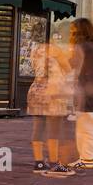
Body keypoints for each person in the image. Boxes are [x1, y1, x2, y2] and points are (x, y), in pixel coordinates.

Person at [26, 38, 73, 176]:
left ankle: (39, 163)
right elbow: (68, 69)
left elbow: (36, 69)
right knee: (54, 130)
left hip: (35, 91)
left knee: (38, 128)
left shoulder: (36, 51)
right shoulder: (56, 51)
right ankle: (54, 164)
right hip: (52, 93)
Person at [68, 18, 93, 169]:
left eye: (73, 30)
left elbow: (72, 65)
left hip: (85, 91)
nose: (71, 33)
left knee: (85, 127)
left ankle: (87, 158)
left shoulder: (81, 46)